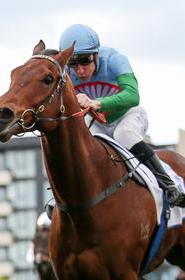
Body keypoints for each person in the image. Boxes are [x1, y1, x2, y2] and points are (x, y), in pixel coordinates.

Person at [59, 24, 185, 207]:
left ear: (96, 54)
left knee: (123, 134)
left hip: (128, 116)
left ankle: (169, 186)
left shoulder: (115, 60)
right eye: (73, 63)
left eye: (85, 61)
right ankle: (61, 198)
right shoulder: (66, 74)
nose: (79, 70)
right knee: (82, 147)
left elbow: (133, 96)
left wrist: (98, 102)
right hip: (97, 121)